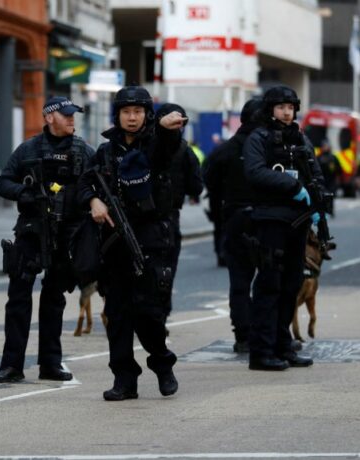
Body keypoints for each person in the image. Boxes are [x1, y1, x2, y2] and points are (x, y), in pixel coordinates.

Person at [78, 86, 187, 400]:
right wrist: (94, 201)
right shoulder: (105, 152)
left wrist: (166, 128)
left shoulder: (157, 144)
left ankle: (162, 364)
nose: (131, 117)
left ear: (146, 115)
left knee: (149, 312)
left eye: (138, 111)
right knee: (117, 315)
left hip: (150, 241)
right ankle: (124, 380)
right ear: (118, 115)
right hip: (114, 243)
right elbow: (85, 184)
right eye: (126, 112)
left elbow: (167, 147)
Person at [0, 96, 94, 384]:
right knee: (18, 298)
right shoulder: (29, 149)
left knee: (54, 299)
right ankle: (11, 365)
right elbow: (3, 182)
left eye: (73, 115)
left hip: (67, 235)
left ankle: (50, 364)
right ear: (49, 117)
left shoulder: (84, 151)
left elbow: (98, 185)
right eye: (66, 114)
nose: (72, 119)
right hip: (32, 231)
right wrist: (25, 194)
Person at [243, 85, 322, 371]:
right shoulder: (259, 138)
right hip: (270, 220)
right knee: (269, 285)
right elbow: (255, 172)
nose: (287, 112)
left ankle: (283, 346)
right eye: (281, 107)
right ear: (270, 110)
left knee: (291, 285)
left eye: (290, 107)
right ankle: (261, 352)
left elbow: (315, 173)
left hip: (298, 222)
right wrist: (293, 187)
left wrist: (319, 205)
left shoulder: (300, 138)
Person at [203, 98, 262, 353]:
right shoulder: (267, 148)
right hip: (266, 220)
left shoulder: (225, 150)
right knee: (270, 281)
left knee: (239, 282)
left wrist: (220, 214)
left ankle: (243, 336)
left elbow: (208, 180)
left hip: (235, 219)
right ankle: (266, 333)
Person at [155, 103, 203, 293]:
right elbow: (196, 187)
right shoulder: (185, 151)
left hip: (139, 219)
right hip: (170, 218)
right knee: (165, 278)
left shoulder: (143, 145)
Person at [316, 138, 341, 216]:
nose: (325, 147)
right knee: (323, 195)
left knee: (331, 195)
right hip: (322, 179)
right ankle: (324, 210)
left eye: (326, 146)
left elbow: (339, 169)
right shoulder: (319, 157)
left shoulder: (333, 157)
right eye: (324, 146)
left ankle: (331, 210)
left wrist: (337, 176)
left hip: (331, 180)